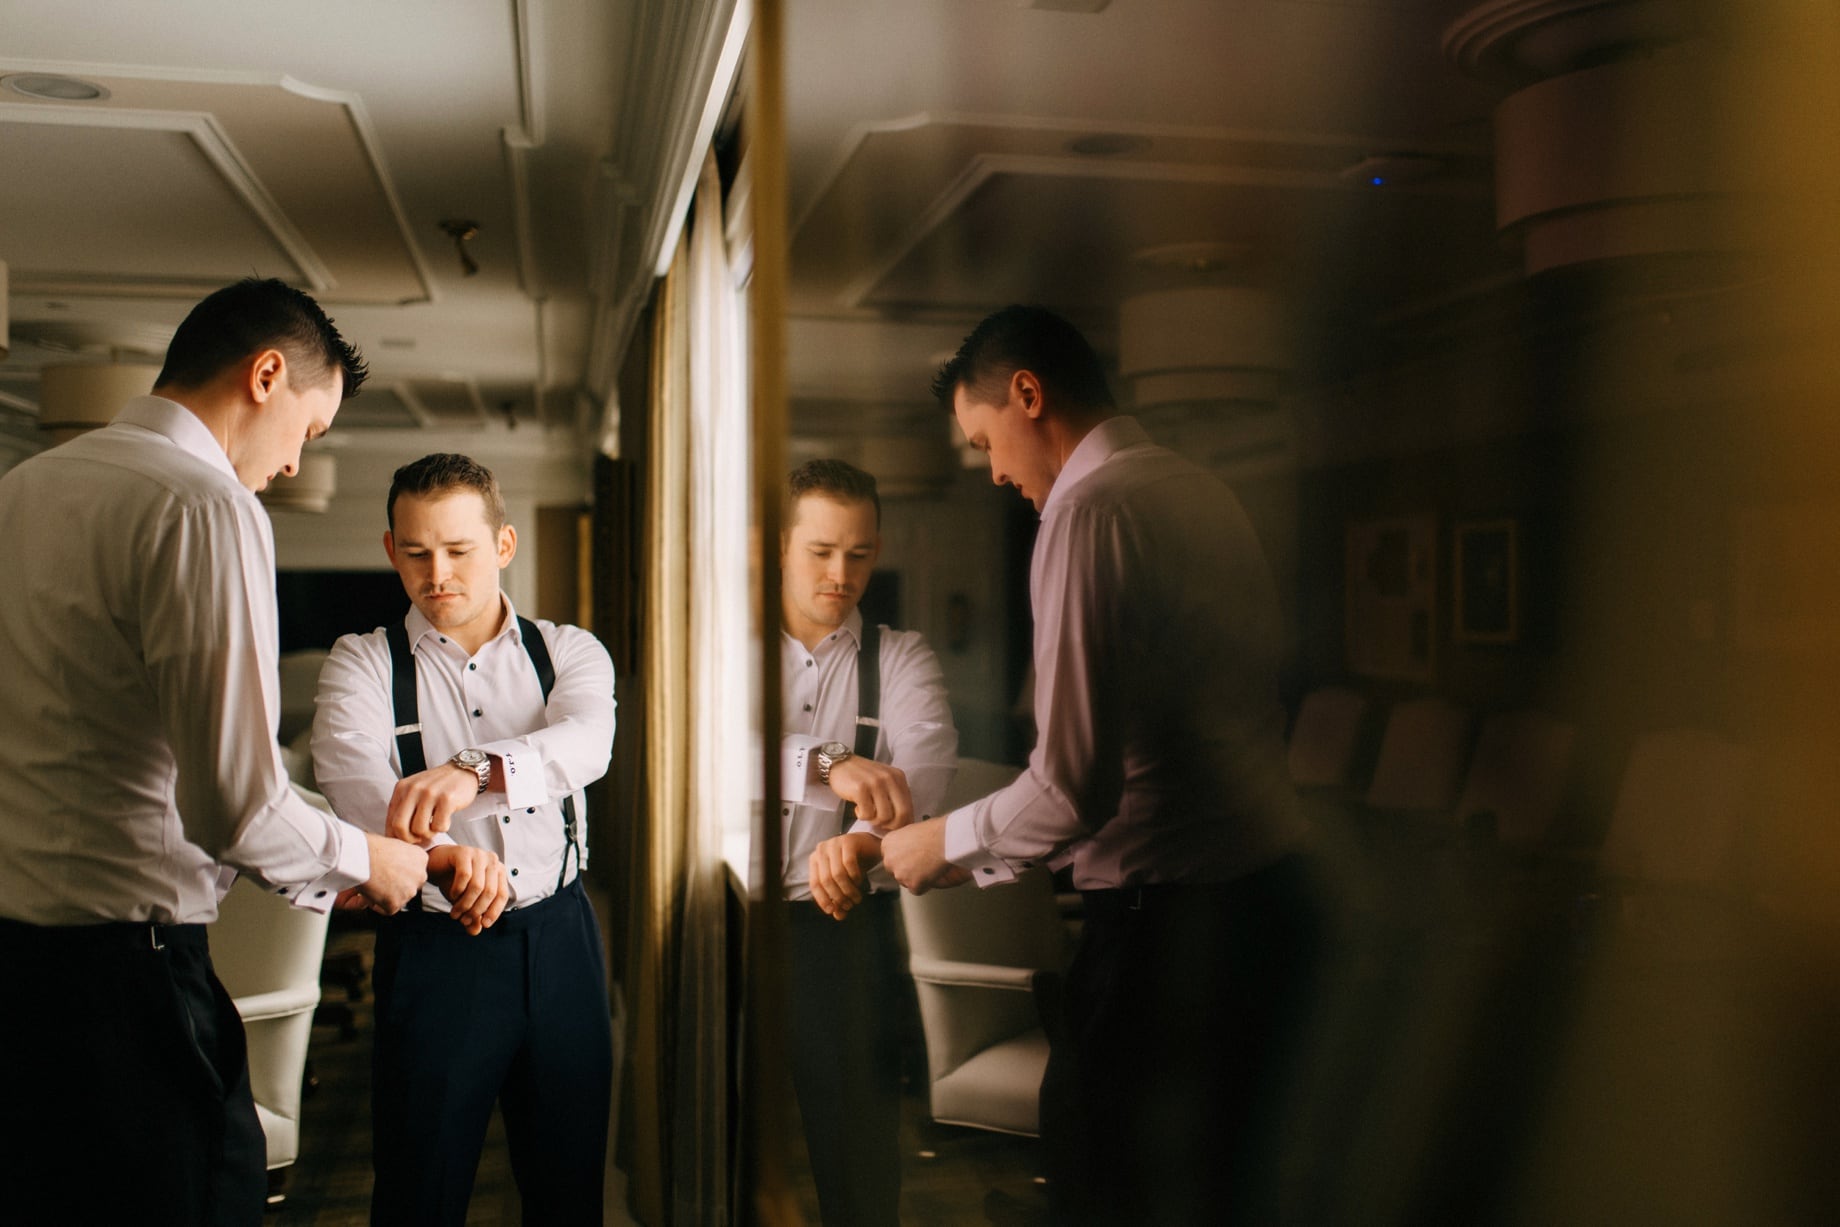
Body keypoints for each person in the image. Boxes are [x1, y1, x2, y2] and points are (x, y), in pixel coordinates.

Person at [0, 278, 429, 1227]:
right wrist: (370, 860)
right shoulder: (206, 506)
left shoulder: (18, 491)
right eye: (309, 434)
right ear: (266, 374)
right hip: (127, 989)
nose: (289, 466)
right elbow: (234, 805)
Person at [881, 305, 1321, 1225]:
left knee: (1103, 1189)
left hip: (1161, 943)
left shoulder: (1087, 512)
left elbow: (1074, 787)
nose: (994, 470)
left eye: (984, 440)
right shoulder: (1206, 492)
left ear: (1028, 395)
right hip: (1265, 912)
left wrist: (940, 844)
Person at [311, 452, 616, 1226]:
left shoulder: (570, 651)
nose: (435, 572)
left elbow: (588, 743)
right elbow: (352, 780)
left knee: (569, 1184)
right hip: (434, 953)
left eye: (458, 550)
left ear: (504, 545)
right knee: (420, 1187)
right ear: (391, 550)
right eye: (414, 552)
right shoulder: (362, 661)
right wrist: (440, 859)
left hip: (562, 943)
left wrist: (474, 771)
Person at [777, 458, 958, 1226]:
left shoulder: (905, 655)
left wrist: (853, 845)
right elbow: (718, 748)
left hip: (844, 931)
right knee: (723, 1140)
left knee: (858, 1157)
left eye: (857, 552)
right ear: (779, 546)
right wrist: (830, 764)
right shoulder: (723, 651)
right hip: (723, 921)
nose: (839, 571)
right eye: (819, 550)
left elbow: (924, 769)